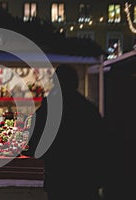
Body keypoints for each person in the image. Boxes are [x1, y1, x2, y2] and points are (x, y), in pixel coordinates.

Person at [24, 64, 106, 200]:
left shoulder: (47, 109)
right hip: (86, 178)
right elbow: (101, 143)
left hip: (58, 177)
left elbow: (33, 141)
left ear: (56, 83)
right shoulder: (88, 109)